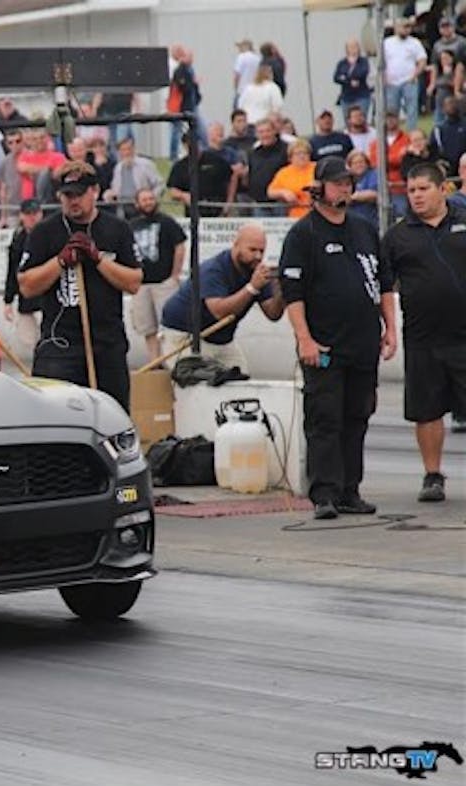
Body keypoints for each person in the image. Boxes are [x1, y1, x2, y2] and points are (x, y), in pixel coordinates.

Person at [280, 156, 398, 520]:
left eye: (348, 182)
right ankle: (324, 493)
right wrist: (305, 339)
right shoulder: (304, 234)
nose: (344, 188)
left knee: (357, 416)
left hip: (363, 344)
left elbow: (384, 284)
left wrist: (390, 328)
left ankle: (350, 490)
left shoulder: (363, 230)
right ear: (319, 188)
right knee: (324, 419)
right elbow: (292, 292)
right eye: (337, 183)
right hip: (324, 346)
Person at [17, 162, 143, 410]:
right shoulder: (44, 231)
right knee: (53, 415)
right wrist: (60, 261)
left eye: (79, 194)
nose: (73, 201)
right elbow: (27, 286)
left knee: (113, 415)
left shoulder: (117, 229)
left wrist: (98, 259)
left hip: (107, 343)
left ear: (94, 191)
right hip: (59, 344)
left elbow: (134, 282)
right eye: (67, 195)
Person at [380, 163, 466, 501]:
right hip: (422, 339)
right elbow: (383, 285)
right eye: (411, 190)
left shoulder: (462, 221)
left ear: (442, 189)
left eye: (422, 189)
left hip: (464, 336)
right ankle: (432, 475)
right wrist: (388, 329)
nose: (416, 196)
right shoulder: (398, 236)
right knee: (426, 410)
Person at [159, 223, 284, 372]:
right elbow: (219, 312)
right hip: (185, 335)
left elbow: (273, 314)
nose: (257, 256)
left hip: (221, 340)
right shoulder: (214, 269)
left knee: (241, 381)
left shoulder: (256, 272)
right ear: (236, 245)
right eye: (252, 250)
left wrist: (282, 289)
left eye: (261, 251)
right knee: (195, 383)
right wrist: (252, 288)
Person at [129, 189, 186, 362]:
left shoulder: (167, 222)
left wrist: (175, 275)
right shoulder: (131, 225)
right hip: (141, 284)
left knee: (169, 326)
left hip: (164, 283)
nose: (148, 202)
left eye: (151, 199)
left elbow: (180, 246)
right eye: (144, 200)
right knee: (147, 328)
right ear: (137, 204)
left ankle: (171, 361)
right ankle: (154, 362)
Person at [167, 128, 236, 217]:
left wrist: (229, 201)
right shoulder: (179, 167)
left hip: (218, 212)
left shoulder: (216, 160)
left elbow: (232, 177)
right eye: (189, 145)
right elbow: (173, 191)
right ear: (184, 146)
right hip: (193, 214)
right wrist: (183, 195)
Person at [3, 199, 44, 348]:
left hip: (47, 299)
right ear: (21, 216)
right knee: (30, 341)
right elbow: (12, 271)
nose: (32, 217)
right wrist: (8, 300)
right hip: (27, 300)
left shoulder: (50, 236)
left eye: (35, 213)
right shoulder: (18, 240)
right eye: (28, 214)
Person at [383, 18, 427, 130]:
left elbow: (422, 60)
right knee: (392, 110)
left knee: (412, 109)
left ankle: (411, 133)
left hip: (409, 81)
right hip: (392, 82)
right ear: (396, 28)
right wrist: (384, 76)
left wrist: (415, 75)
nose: (406, 29)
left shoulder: (414, 43)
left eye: (408, 27)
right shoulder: (387, 43)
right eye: (403, 27)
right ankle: (393, 132)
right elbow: (381, 62)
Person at [104, 138, 163, 216]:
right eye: (123, 150)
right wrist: (110, 194)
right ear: (119, 152)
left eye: (129, 149)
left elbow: (160, 184)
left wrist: (150, 199)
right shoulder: (117, 168)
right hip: (123, 207)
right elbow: (115, 188)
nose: (127, 152)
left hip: (142, 206)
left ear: (134, 149)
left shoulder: (146, 164)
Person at [245, 119, 289, 217]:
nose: (265, 135)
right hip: (259, 204)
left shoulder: (286, 150)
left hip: (280, 203)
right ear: (257, 134)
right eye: (261, 132)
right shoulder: (253, 153)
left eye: (268, 131)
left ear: (275, 131)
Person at [267, 139, 317, 219]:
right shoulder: (284, 172)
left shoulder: (317, 168)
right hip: (294, 216)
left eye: (305, 153)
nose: (302, 156)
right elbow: (270, 192)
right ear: (290, 157)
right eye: (298, 153)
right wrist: (283, 192)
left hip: (316, 214)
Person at [333, 39, 372, 123]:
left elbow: (362, 73)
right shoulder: (342, 63)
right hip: (346, 97)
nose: (353, 48)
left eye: (355, 46)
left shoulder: (363, 61)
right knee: (348, 121)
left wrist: (345, 77)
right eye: (351, 47)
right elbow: (336, 78)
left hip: (362, 96)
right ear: (346, 49)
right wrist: (349, 82)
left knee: (361, 120)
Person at [345, 149, 381, 222]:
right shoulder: (347, 177)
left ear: (367, 163)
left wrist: (351, 197)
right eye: (355, 163)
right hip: (351, 219)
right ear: (350, 166)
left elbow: (374, 194)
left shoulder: (373, 174)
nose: (359, 165)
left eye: (361, 162)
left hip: (370, 218)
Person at [233, 39, 260, 110]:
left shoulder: (241, 57)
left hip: (242, 90)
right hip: (254, 91)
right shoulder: (257, 58)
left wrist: (236, 88)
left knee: (237, 113)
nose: (239, 49)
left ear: (245, 46)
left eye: (240, 46)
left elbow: (237, 74)